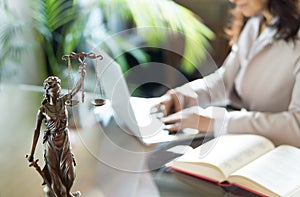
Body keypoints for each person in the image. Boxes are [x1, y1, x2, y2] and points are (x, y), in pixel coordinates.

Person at [156, 0, 300, 147]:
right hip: (253, 144)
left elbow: (297, 127)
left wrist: (216, 122)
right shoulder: (256, 22)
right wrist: (188, 94)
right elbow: (226, 81)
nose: (232, 0)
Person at [27, 68, 85, 196]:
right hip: (51, 143)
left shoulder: (63, 101)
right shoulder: (43, 109)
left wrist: (82, 76)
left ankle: (68, 193)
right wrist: (31, 153)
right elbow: (36, 130)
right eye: (55, 91)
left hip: (64, 140)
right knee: (55, 175)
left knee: (70, 173)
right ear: (48, 92)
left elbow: (75, 90)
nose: (58, 93)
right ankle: (61, 194)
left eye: (59, 90)